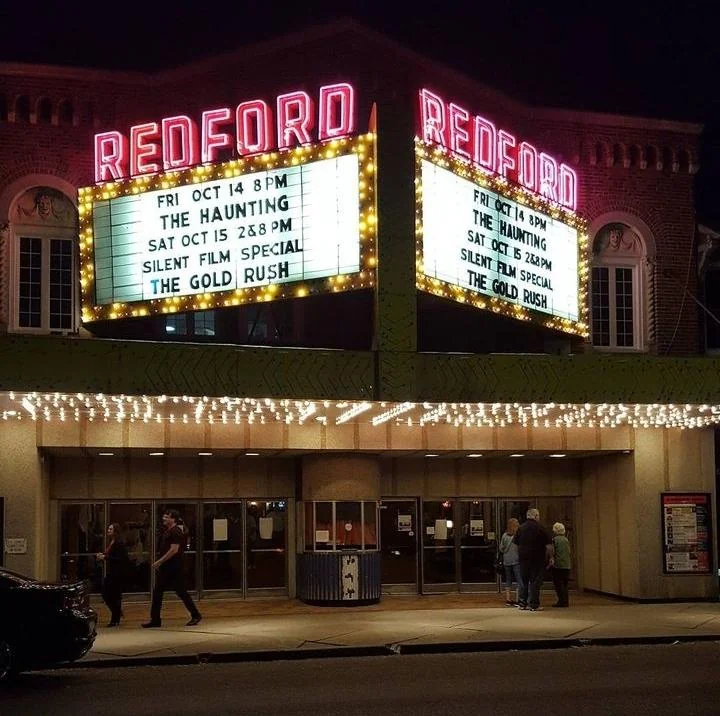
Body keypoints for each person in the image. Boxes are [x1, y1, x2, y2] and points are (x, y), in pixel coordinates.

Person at [142, 509, 202, 628]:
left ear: (173, 519)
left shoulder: (176, 532)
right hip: (167, 567)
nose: (164, 518)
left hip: (174, 567)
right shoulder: (168, 531)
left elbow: (174, 550)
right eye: (164, 516)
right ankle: (155, 619)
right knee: (158, 592)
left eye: (166, 517)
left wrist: (159, 562)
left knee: (180, 592)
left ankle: (196, 615)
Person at [513, 507, 553, 612]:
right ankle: (534, 604)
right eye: (538, 516)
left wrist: (520, 555)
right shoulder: (541, 528)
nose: (539, 518)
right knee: (535, 582)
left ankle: (522, 603)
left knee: (523, 581)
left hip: (523, 559)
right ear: (535, 516)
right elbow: (549, 545)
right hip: (537, 559)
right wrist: (550, 557)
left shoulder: (521, 528)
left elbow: (516, 544)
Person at [96, 523, 130, 627]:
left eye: (111, 529)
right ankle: (116, 615)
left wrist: (105, 558)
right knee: (110, 594)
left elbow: (122, 559)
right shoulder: (113, 542)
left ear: (116, 530)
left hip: (118, 573)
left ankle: (115, 617)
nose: (108, 530)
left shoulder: (119, 543)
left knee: (110, 594)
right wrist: (103, 556)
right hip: (113, 572)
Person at [498, 517, 522, 606]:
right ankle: (519, 598)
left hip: (506, 560)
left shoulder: (504, 535)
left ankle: (508, 599)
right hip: (516, 560)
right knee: (519, 579)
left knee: (508, 580)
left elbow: (501, 548)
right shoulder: (518, 536)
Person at [551, 522, 572, 608]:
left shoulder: (555, 540)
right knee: (565, 584)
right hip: (567, 564)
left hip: (558, 564)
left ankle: (561, 601)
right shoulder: (566, 540)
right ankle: (565, 601)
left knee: (558, 584)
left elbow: (553, 552)